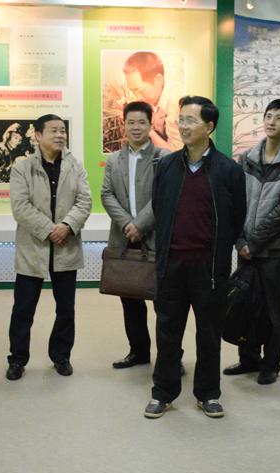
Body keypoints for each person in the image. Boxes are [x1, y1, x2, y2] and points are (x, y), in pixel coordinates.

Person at [145, 96, 247, 419]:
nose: (183, 126)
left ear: (209, 126)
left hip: (210, 268)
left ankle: (208, 393)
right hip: (172, 264)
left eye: (191, 120)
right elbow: (159, 209)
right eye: (182, 119)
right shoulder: (166, 167)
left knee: (209, 334)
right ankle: (163, 392)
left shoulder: (229, 170)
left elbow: (237, 217)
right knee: (167, 332)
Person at [5, 114, 92, 381]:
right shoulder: (22, 167)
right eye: (53, 130)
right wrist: (49, 230)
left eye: (63, 130)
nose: (60, 135)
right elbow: (20, 206)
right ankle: (17, 359)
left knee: (65, 309)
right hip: (33, 248)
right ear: (38, 135)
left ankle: (61, 356)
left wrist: (66, 226)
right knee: (23, 309)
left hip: (66, 247)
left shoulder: (75, 166)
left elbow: (84, 201)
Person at [224, 98, 280, 385]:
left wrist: (253, 243)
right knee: (244, 301)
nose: (271, 121)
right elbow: (234, 200)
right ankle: (248, 358)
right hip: (245, 246)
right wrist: (240, 240)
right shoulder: (246, 158)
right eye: (269, 116)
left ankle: (271, 364)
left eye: (279, 118)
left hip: (272, 251)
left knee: (271, 309)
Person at [100, 101, 169, 369]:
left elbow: (163, 195)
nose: (136, 127)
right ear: (124, 125)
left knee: (164, 304)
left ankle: (169, 357)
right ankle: (138, 352)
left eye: (141, 122)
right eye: (131, 122)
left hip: (155, 238)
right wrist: (127, 224)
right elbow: (107, 194)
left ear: (150, 124)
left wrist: (140, 224)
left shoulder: (163, 158)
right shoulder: (114, 159)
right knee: (130, 298)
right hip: (124, 238)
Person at [123, 52, 182, 151]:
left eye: (139, 90)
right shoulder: (156, 94)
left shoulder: (175, 102)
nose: (137, 98)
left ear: (158, 80)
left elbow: (176, 153)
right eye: (133, 91)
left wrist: (148, 130)